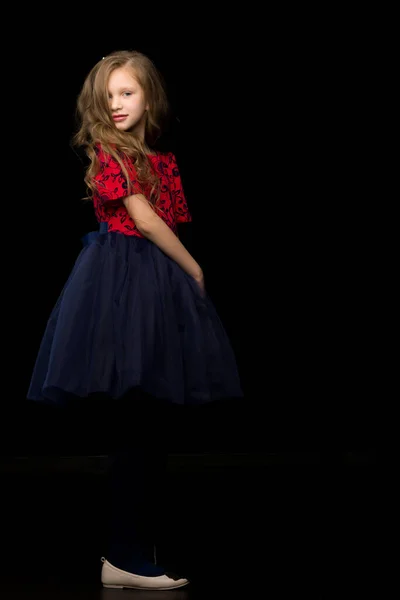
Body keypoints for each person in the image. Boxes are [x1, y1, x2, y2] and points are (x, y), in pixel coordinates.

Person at [27, 50, 244, 590]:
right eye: (109, 95)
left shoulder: (159, 159)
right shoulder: (110, 153)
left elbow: (163, 216)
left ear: (150, 96)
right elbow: (144, 220)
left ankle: (133, 550)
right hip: (121, 288)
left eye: (128, 92)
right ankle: (123, 554)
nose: (117, 104)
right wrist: (194, 269)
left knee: (151, 422)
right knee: (135, 417)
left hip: (153, 289)